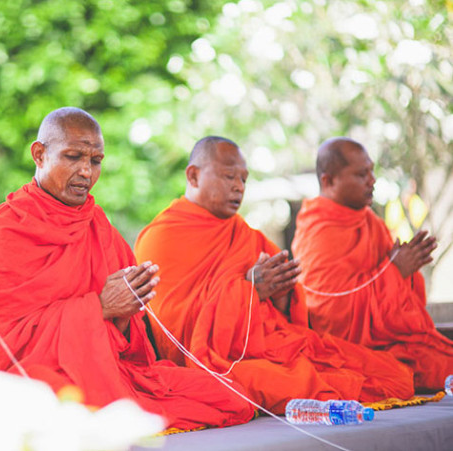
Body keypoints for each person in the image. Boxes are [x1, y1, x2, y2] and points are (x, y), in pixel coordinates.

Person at [0, 108, 255, 431]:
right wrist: (99, 307)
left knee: (231, 397)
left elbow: (133, 348)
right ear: (39, 154)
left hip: (109, 370)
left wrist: (126, 312)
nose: (86, 171)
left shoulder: (98, 227)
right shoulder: (7, 227)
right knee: (57, 407)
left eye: (96, 160)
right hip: (35, 373)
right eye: (73, 157)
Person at [134, 136, 415, 414]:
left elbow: (281, 321)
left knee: (391, 373)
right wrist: (249, 290)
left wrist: (280, 293)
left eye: (243, 179)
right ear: (193, 176)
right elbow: (176, 336)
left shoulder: (245, 235)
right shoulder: (162, 238)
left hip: (274, 349)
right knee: (296, 384)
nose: (238, 187)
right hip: (221, 364)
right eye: (229, 176)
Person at [292, 137, 453, 391]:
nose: (372, 180)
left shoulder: (370, 221)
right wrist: (396, 271)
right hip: (350, 350)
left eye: (371, 171)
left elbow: (400, 299)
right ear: (329, 181)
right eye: (361, 174)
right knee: (430, 371)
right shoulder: (319, 231)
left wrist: (404, 270)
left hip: (393, 342)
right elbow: (329, 315)